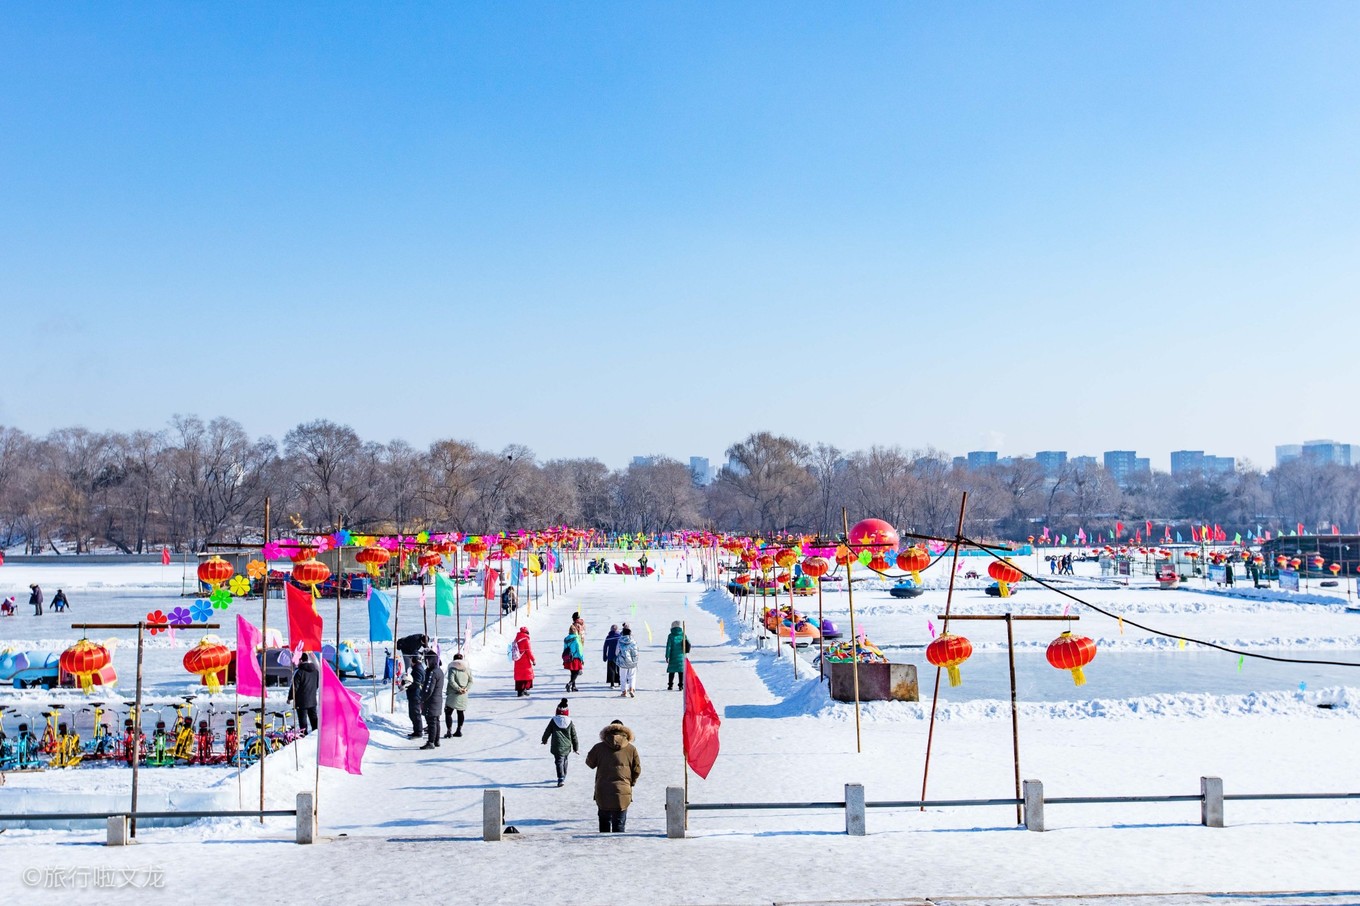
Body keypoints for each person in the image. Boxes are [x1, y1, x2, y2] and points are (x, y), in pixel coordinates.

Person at [585, 719, 641, 833]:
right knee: (619, 826)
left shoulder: (599, 747)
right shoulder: (631, 749)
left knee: (604, 825)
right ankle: (619, 849)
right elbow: (637, 770)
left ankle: (603, 849)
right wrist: (631, 783)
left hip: (603, 790)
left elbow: (590, 763)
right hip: (623, 790)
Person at [541, 698, 579, 787]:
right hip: (567, 746)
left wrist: (544, 740)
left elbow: (547, 731)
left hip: (556, 745)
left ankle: (561, 777)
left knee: (559, 761)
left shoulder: (553, 720)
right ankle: (563, 775)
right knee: (565, 760)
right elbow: (574, 735)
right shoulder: (570, 722)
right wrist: (575, 747)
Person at [287, 652, 320, 734]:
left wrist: (290, 698)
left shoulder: (299, 672)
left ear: (301, 660)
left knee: (303, 722)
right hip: (312, 700)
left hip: (301, 702)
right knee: (314, 719)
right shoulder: (315, 671)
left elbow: (294, 687)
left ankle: (304, 736)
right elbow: (317, 684)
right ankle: (316, 735)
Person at [419, 652, 445, 750]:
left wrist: (422, 699)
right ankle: (436, 740)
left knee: (432, 722)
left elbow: (428, 689)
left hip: (431, 701)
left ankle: (431, 741)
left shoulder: (432, 673)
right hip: (437, 699)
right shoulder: (439, 671)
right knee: (436, 721)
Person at [444, 652, 472, 738]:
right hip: (463, 694)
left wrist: (458, 689)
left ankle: (449, 731)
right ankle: (459, 730)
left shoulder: (452, 669)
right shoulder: (467, 669)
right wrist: (465, 689)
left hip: (453, 693)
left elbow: (451, 681)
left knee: (448, 712)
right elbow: (471, 681)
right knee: (460, 712)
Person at [404, 652, 427, 738]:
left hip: (416, 695)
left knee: (415, 714)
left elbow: (417, 683)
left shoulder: (417, 669)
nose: (410, 661)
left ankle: (418, 732)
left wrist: (407, 684)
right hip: (414, 695)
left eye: (411, 659)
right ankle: (416, 730)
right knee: (413, 714)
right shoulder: (417, 668)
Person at [614, 626, 639, 698]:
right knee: (632, 676)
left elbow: (616, 652)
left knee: (623, 677)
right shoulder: (633, 641)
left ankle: (624, 691)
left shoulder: (620, 641)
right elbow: (637, 651)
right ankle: (631, 689)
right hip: (633, 662)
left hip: (623, 661)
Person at [512, 626, 535, 696]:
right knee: (526, 676)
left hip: (517, 661)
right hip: (525, 662)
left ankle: (520, 691)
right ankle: (524, 689)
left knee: (519, 676)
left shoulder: (516, 639)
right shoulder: (526, 640)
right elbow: (529, 652)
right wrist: (533, 660)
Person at [664, 621, 688, 691]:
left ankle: (670, 685)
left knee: (672, 671)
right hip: (681, 656)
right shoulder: (683, 635)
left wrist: (667, 656)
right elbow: (687, 644)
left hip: (673, 656)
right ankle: (681, 685)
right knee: (681, 671)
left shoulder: (670, 635)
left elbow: (668, 646)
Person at [562, 626, 584, 692]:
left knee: (572, 672)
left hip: (569, 658)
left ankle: (573, 687)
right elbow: (579, 650)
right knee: (576, 672)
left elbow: (565, 649)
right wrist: (582, 658)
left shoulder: (566, 639)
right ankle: (570, 683)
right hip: (576, 658)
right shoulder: (576, 639)